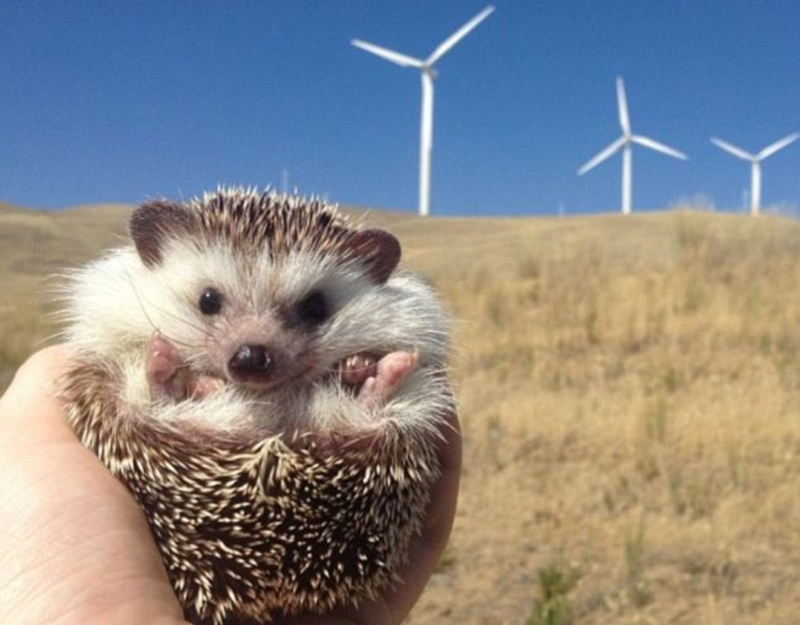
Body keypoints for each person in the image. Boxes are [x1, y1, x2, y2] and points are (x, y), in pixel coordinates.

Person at [0, 346, 461, 625]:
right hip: (327, 466)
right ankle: (368, 401)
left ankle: (173, 394)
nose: (253, 354)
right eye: (209, 302)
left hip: (196, 432)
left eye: (311, 307)